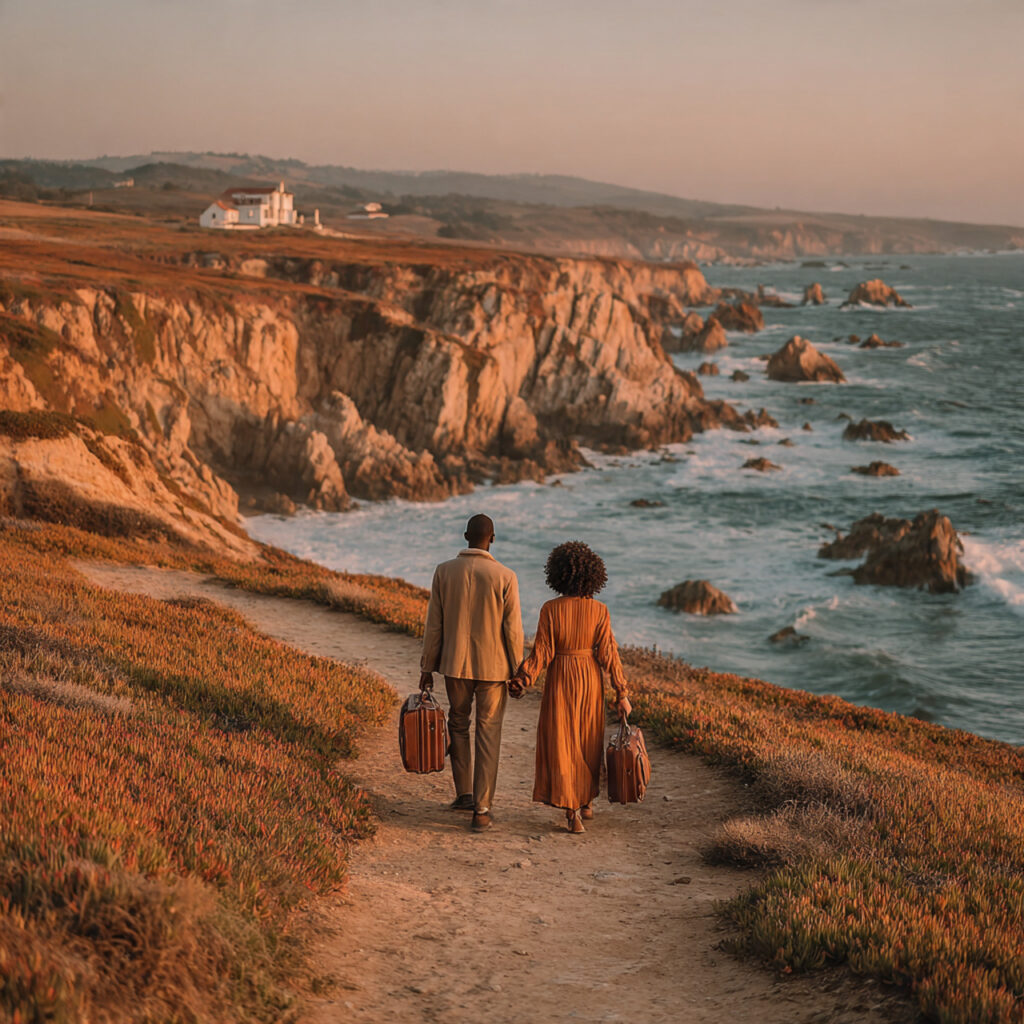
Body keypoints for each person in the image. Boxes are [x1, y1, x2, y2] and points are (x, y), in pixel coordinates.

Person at [510, 541, 631, 834]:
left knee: (563, 743)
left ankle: (572, 810)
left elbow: (542, 652)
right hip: (590, 678)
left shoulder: (550, 609)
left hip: (561, 678)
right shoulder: (599, 611)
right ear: (593, 576)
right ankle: (586, 801)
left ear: (558, 575)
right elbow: (609, 655)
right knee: (588, 739)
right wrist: (622, 692)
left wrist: (523, 679)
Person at [420, 514, 524, 832]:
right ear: (492, 539)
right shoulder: (506, 576)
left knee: (459, 724)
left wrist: (427, 668)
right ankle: (482, 808)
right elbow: (513, 631)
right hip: (493, 669)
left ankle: (463, 792)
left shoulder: (444, 571)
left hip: (454, 665)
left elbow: (434, 625)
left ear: (465, 535)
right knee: (488, 734)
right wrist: (518, 670)